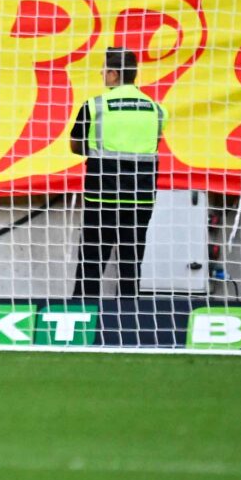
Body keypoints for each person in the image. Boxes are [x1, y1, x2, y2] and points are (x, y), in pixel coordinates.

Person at [70, 47, 164, 301]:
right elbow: (154, 143)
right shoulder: (156, 109)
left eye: (104, 69)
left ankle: (83, 316)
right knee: (131, 263)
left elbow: (76, 145)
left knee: (91, 261)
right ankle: (128, 321)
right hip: (141, 198)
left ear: (113, 74)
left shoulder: (94, 106)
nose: (101, 73)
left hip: (102, 196)